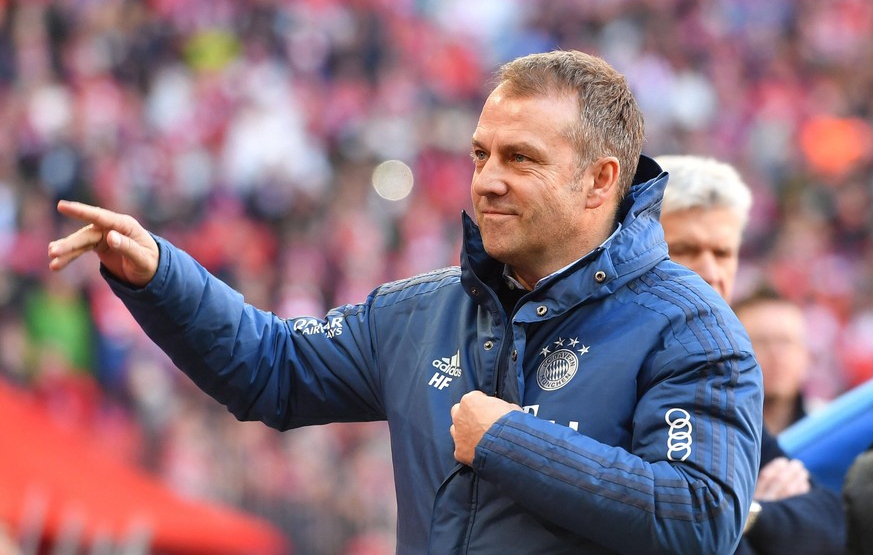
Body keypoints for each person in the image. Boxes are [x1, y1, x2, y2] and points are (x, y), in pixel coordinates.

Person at [48, 50, 762, 554]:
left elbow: (699, 517)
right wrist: (158, 274)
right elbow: (270, 370)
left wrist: (510, 442)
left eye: (520, 159)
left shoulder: (690, 328)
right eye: (480, 154)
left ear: (600, 180)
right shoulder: (420, 312)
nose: (486, 180)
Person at [656, 154, 846, 555]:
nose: (710, 271)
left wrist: (750, 512)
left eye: (723, 253)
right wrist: (734, 515)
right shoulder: (607, 363)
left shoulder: (714, 378)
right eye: (685, 249)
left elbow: (830, 526)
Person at [732, 287, 812, 435]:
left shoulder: (827, 427)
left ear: (805, 355)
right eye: (761, 342)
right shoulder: (710, 432)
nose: (776, 354)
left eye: (786, 342)